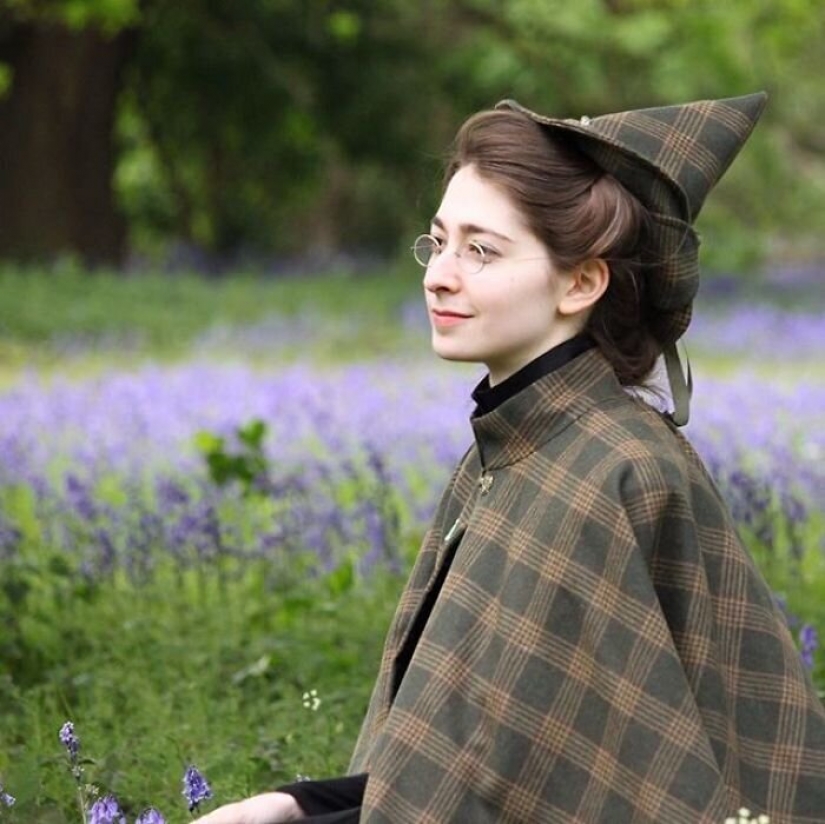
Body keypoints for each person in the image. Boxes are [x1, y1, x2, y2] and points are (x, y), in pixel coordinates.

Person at [193, 92, 825, 823]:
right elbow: (470, 761)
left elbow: (584, 796)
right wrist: (291, 805)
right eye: (437, 242)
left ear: (582, 282)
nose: (437, 274)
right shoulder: (509, 453)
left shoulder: (611, 473)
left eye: (480, 251)